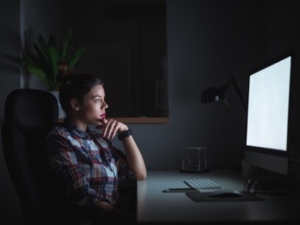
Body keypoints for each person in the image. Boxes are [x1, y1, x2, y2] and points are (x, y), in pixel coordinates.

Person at [45, 67, 147, 223]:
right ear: (76, 104)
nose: (105, 105)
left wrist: (125, 133)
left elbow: (138, 174)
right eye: (98, 100)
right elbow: (80, 193)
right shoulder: (60, 138)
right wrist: (123, 217)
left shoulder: (99, 140)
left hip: (113, 215)